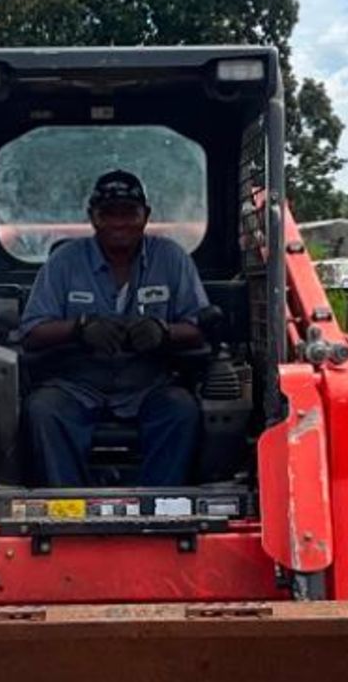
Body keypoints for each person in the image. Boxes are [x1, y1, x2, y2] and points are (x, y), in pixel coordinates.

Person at [20, 169, 208, 487]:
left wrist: (162, 332)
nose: (119, 223)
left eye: (129, 213)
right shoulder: (64, 262)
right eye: (108, 214)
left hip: (149, 383)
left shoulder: (171, 259)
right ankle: (70, 508)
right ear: (93, 218)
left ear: (145, 216)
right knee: (43, 410)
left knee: (182, 411)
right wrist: (79, 329)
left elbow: (199, 327)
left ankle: (159, 507)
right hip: (77, 385)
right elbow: (32, 332)